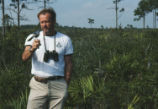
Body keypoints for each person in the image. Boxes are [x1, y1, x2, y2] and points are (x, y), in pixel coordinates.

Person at [22, 8, 73, 109]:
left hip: (58, 85)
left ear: (54, 21)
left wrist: (65, 84)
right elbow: (24, 57)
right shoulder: (33, 37)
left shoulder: (65, 39)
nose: (44, 25)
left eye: (47, 21)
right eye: (42, 22)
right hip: (38, 85)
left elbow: (69, 63)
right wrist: (32, 49)